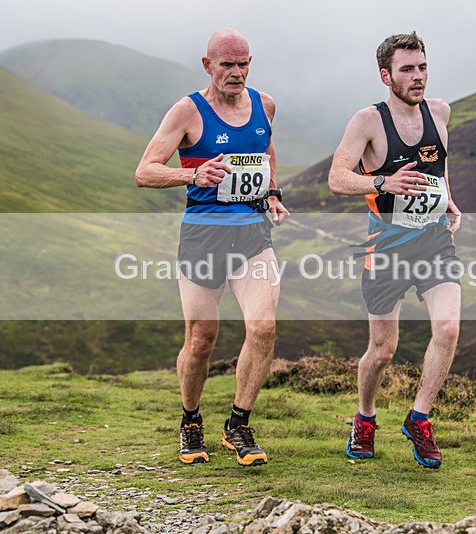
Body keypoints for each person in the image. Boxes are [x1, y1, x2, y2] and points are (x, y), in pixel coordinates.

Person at [135, 28, 289, 467]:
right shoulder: (188, 111)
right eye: (227, 65)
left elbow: (266, 149)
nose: (237, 73)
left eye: (243, 64)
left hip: (252, 234)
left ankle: (238, 423)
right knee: (201, 339)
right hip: (202, 236)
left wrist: (272, 193)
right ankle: (190, 420)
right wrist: (192, 175)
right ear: (208, 66)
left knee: (263, 327)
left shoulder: (265, 104)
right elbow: (144, 171)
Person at [328, 31, 461, 469]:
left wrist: (448, 199)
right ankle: (365, 418)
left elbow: (438, 164)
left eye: (422, 67)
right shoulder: (368, 121)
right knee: (382, 351)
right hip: (385, 245)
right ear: (386, 75)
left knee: (447, 330)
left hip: (434, 240)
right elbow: (337, 178)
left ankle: (419, 418)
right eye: (407, 69)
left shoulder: (439, 112)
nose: (418, 76)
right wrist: (383, 182)